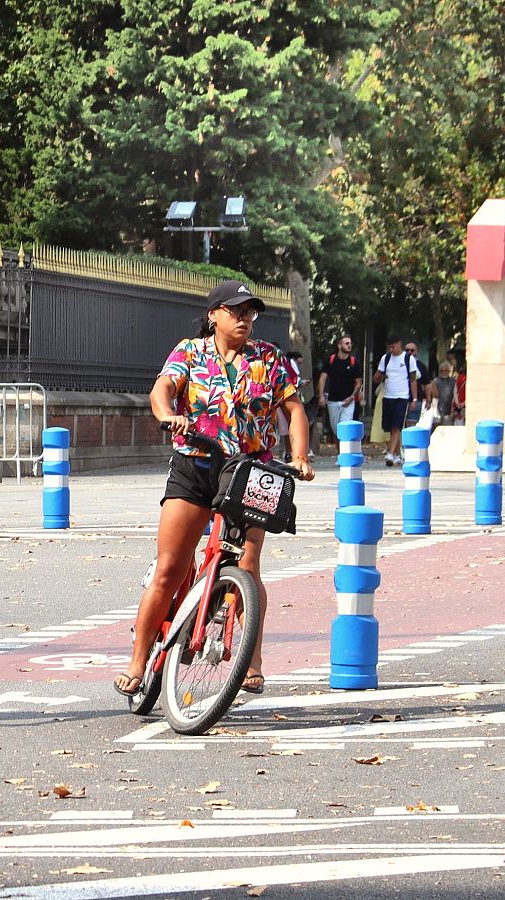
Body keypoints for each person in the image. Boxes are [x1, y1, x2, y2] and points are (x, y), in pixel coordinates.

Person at [114, 281, 314, 699]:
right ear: (214, 315)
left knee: (249, 566)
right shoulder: (189, 352)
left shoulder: (269, 359)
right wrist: (169, 416)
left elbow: (294, 410)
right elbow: (162, 390)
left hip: (250, 470)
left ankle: (252, 662)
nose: (244, 318)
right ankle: (137, 660)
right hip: (196, 466)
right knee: (170, 567)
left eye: (250, 312)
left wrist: (301, 457)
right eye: (235, 310)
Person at [374, 335, 419, 465]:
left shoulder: (408, 359)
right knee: (389, 427)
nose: (392, 349)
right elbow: (377, 378)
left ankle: (390, 453)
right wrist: (379, 376)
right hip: (388, 396)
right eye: (390, 347)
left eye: (394, 346)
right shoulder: (386, 358)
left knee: (396, 426)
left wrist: (414, 399)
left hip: (402, 396)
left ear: (399, 344)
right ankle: (398, 454)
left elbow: (413, 380)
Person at [316, 335, 361, 446]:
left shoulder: (353, 362)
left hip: (348, 401)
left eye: (350, 343)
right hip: (333, 401)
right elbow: (323, 378)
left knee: (344, 428)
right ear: (339, 345)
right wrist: (321, 396)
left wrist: (352, 397)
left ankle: (344, 454)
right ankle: (340, 453)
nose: (349, 345)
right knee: (336, 430)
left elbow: (359, 383)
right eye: (346, 343)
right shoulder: (331, 360)